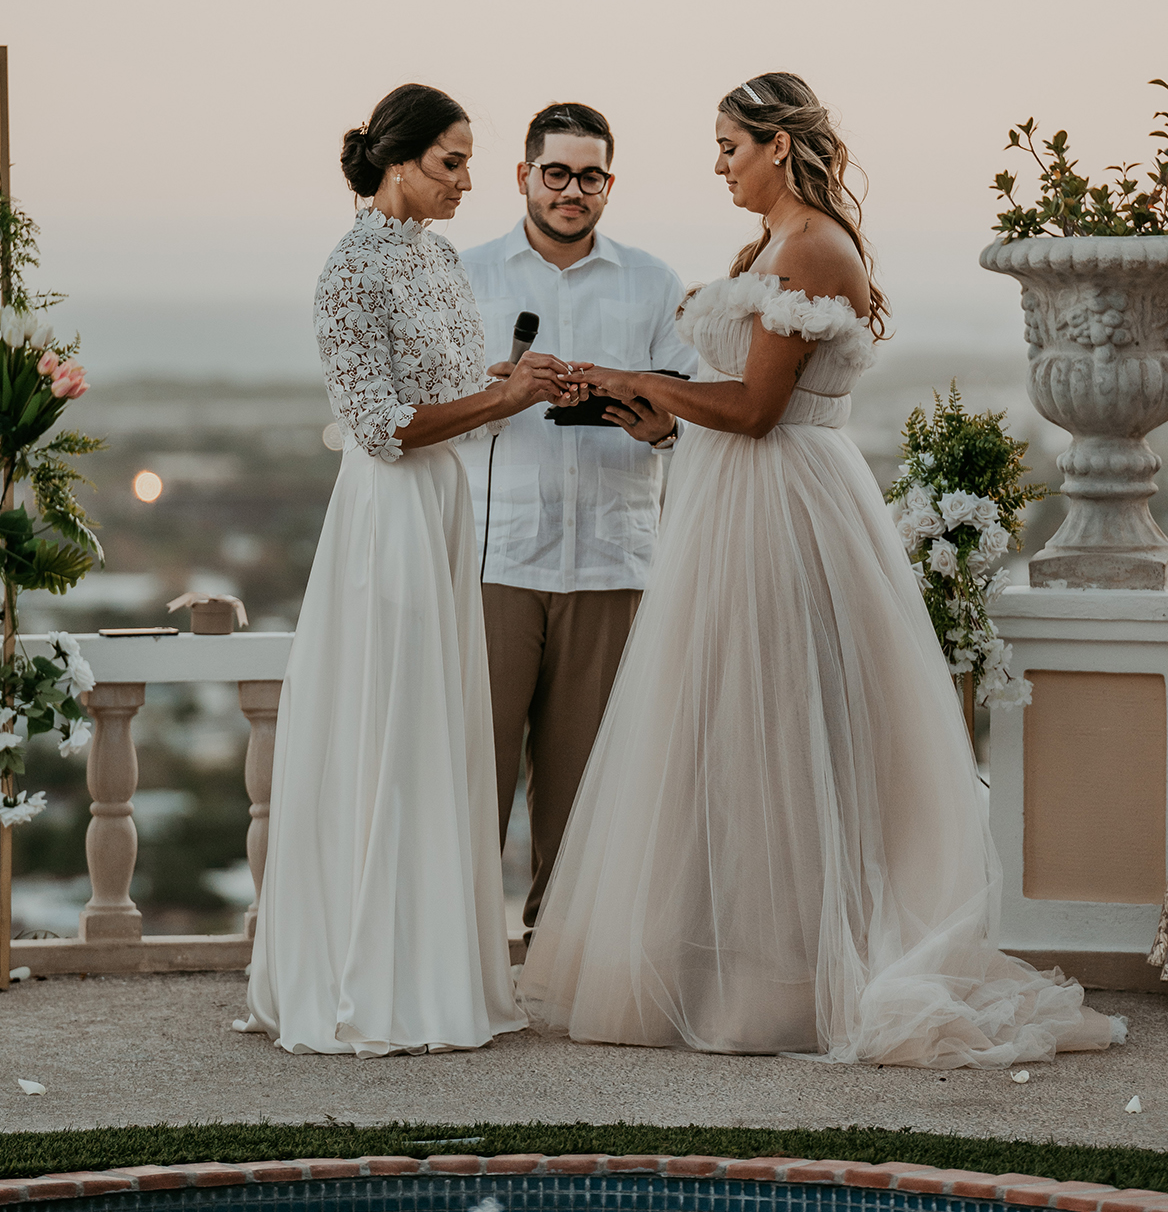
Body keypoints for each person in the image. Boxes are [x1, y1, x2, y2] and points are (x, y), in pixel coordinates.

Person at [519, 72, 1126, 1069]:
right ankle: (730, 966)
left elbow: (760, 410)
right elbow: (735, 407)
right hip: (734, 499)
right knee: (724, 725)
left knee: (778, 722)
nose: (718, 165)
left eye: (728, 146)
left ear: (776, 145)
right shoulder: (769, 247)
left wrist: (640, 378)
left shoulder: (809, 249)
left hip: (782, 507)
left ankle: (791, 979)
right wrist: (663, 423)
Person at [238, 83, 574, 1056]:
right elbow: (382, 426)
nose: (470, 181)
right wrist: (501, 404)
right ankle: (370, 982)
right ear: (397, 161)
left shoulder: (435, 259)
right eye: (451, 162)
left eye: (470, 161)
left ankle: (437, 975)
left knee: (439, 735)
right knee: (390, 728)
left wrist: (517, 386)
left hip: (443, 505)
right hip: (388, 514)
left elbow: (456, 390)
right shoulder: (349, 274)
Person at [459, 103, 696, 939]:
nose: (571, 190)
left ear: (609, 184)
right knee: (469, 782)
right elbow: (428, 415)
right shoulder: (466, 273)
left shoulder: (654, 283)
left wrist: (656, 418)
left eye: (588, 176)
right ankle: (460, 962)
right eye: (554, 173)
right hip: (495, 560)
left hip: (610, 561)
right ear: (523, 175)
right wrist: (502, 392)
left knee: (587, 791)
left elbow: (696, 406)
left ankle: (563, 962)